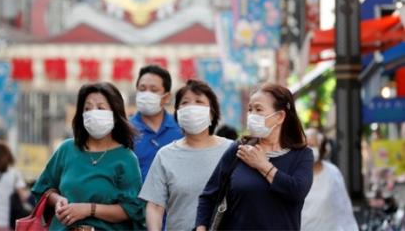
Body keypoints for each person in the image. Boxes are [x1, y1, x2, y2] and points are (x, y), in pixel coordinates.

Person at [195, 83, 313, 230]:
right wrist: (201, 228)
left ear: (280, 116)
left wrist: (263, 165)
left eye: (258, 109)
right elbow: (209, 195)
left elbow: (296, 192)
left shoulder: (302, 155)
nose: (252, 115)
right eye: (250, 110)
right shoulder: (240, 149)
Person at [32, 82, 145, 230]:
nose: (93, 112)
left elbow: (132, 209)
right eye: (87, 108)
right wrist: (58, 200)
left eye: (100, 107)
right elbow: (43, 189)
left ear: (115, 115)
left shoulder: (126, 158)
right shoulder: (66, 149)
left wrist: (89, 209)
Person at [140, 79, 233, 231]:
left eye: (199, 102)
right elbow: (155, 207)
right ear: (177, 113)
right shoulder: (165, 155)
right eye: (185, 103)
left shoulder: (231, 151)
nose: (191, 108)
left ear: (212, 113)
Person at [130, 65, 183, 180]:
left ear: (166, 97)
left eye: (153, 90)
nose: (146, 94)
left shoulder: (181, 128)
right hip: (137, 197)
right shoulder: (125, 129)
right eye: (142, 89)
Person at [301, 128, 358, 231]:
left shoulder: (332, 173)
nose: (308, 150)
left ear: (322, 148)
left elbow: (343, 208)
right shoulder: (294, 173)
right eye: (305, 146)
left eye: (312, 145)